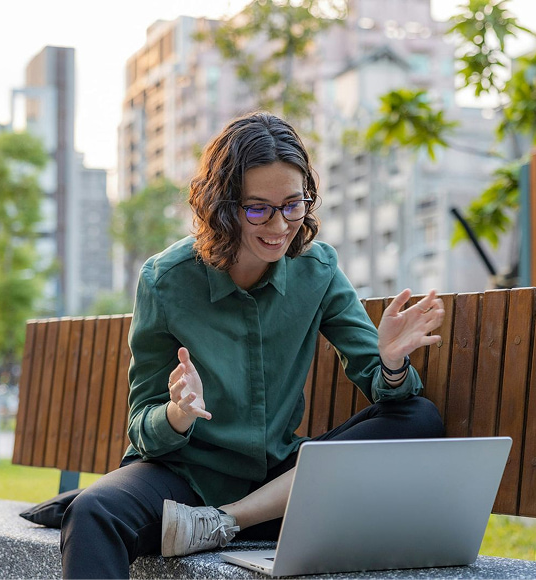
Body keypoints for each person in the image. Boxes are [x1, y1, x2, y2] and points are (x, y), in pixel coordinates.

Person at [60, 112, 446, 579]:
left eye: (292, 204)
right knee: (93, 513)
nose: (280, 225)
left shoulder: (317, 269)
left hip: (277, 485)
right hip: (185, 480)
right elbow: (142, 425)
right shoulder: (165, 281)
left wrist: (389, 364)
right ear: (224, 207)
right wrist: (178, 414)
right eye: (258, 208)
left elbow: (391, 395)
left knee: (419, 417)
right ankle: (221, 517)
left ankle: (229, 520)